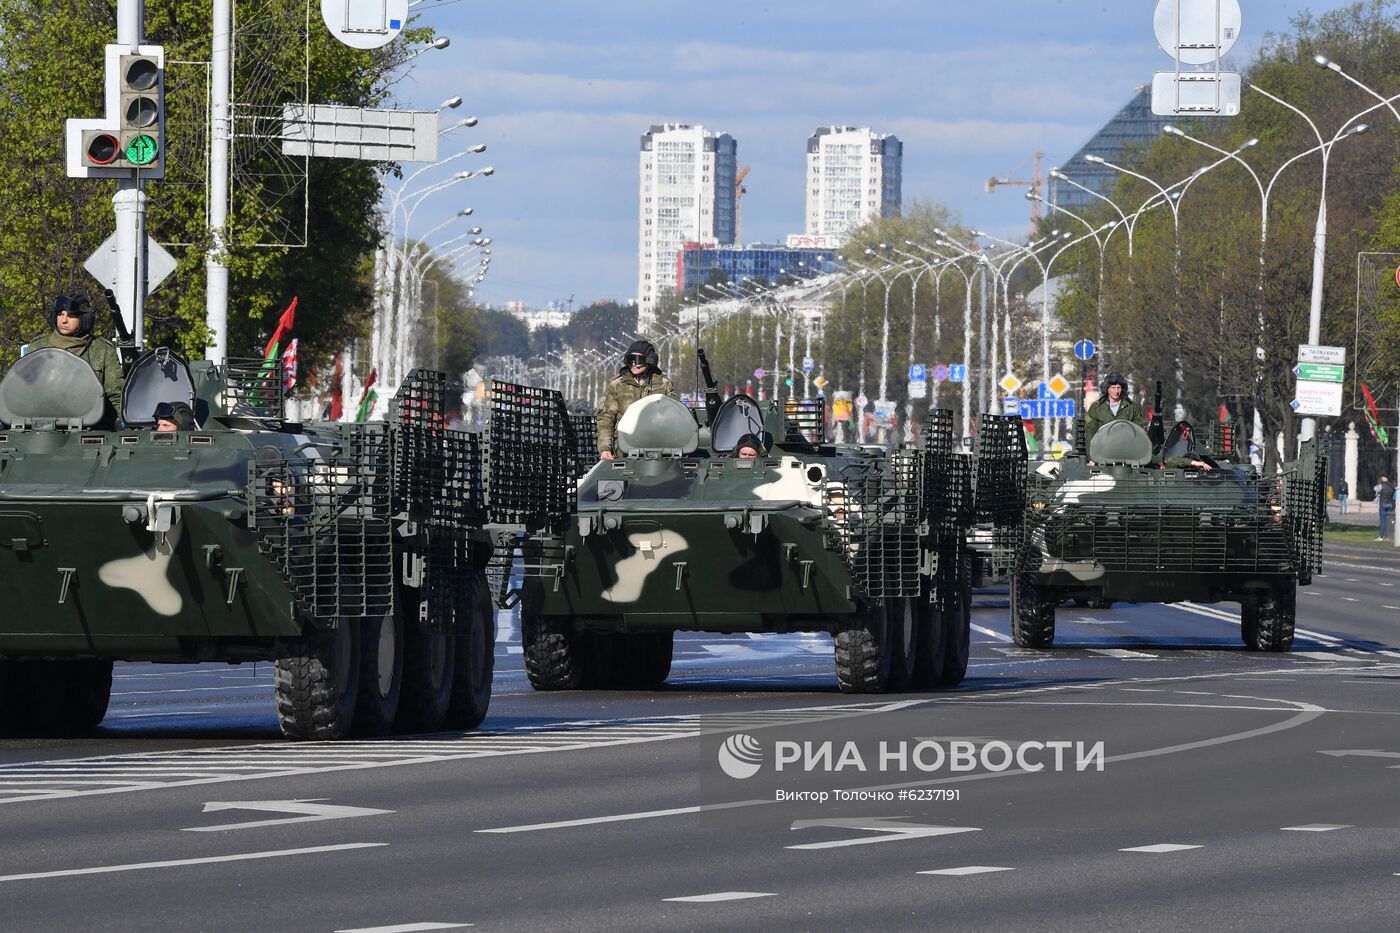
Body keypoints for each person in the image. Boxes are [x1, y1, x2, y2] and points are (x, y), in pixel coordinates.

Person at [26, 294, 123, 424]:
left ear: (84, 319)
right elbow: (23, 389)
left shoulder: (102, 350)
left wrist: (119, 424)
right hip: (43, 426)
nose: (64, 320)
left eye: (71, 316)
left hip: (90, 428)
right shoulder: (38, 347)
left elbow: (115, 396)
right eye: (60, 314)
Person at [596, 339, 676, 459]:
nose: (633, 364)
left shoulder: (664, 385)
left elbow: (674, 416)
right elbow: (606, 418)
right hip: (625, 447)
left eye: (638, 360)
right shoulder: (618, 385)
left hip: (659, 447)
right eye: (630, 360)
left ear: (649, 360)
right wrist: (605, 448)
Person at [1083, 373, 1143, 458]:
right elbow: (1090, 433)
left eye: (1119, 387)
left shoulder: (1131, 407)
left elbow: (1139, 431)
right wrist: (1091, 457)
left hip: (1127, 453)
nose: (1116, 391)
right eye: (1113, 388)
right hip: (1102, 453)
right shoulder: (1096, 408)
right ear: (1107, 389)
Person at [1377, 476, 1396, 541]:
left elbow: (1376, 491)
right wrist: (1387, 481)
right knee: (1389, 521)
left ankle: (1382, 535)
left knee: (1383, 521)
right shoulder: (1391, 487)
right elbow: (1394, 489)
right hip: (1390, 504)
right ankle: (1388, 535)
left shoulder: (1380, 486)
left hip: (1383, 504)